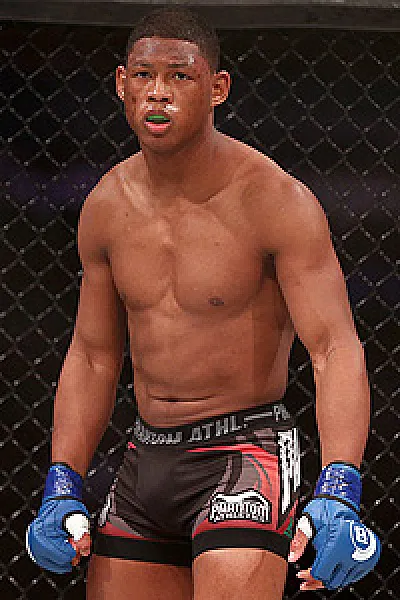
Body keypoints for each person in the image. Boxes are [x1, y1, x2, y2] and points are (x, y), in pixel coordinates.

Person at [26, 7, 381, 599]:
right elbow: (92, 354)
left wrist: (340, 485)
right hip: (147, 453)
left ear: (217, 88)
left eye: (180, 76)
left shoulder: (275, 201)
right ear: (122, 84)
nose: (158, 93)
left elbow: (334, 347)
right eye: (144, 75)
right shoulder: (107, 205)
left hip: (245, 450)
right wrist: (62, 480)